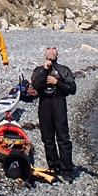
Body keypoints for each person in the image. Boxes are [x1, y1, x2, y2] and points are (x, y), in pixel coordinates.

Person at [30, 47, 77, 183]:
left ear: (58, 55)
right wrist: (45, 70)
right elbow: (36, 86)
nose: (51, 51)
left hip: (58, 103)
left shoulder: (64, 70)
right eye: (48, 50)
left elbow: (72, 89)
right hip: (44, 103)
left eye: (53, 50)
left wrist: (57, 83)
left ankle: (67, 169)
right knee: (47, 137)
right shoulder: (39, 70)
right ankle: (53, 166)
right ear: (45, 55)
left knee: (63, 137)